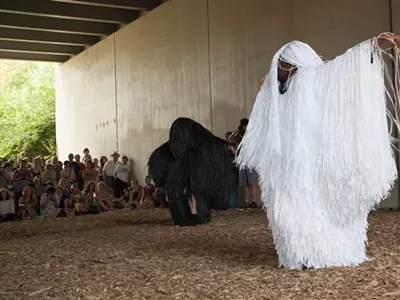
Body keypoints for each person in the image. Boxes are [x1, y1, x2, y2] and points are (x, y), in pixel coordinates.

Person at [235, 33, 400, 270]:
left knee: (310, 208)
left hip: (310, 165)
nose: (277, 71)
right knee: (291, 211)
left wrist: (373, 45)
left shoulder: (312, 77)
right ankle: (301, 255)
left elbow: (342, 69)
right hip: (288, 167)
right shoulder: (283, 88)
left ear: (292, 64)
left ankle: (323, 253)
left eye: (281, 65)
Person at [148, 117, 237, 226]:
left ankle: (191, 216)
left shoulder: (192, 149)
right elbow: (209, 140)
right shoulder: (182, 152)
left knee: (190, 191)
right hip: (183, 172)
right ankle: (191, 216)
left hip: (186, 172)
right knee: (186, 191)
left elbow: (209, 140)